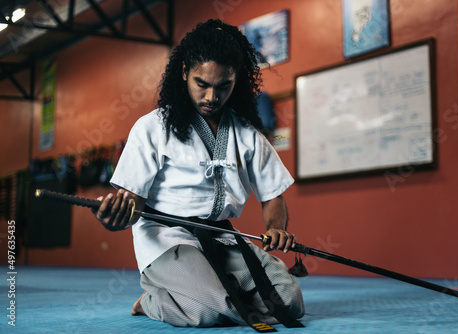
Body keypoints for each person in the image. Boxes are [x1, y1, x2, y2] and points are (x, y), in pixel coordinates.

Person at [92, 19, 305, 330]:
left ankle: (211, 292)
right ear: (184, 74)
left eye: (223, 86)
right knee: (208, 312)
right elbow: (132, 203)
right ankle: (151, 301)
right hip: (168, 240)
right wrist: (117, 217)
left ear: (237, 80)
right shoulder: (152, 128)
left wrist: (276, 228)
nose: (211, 97)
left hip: (223, 239)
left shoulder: (248, 135)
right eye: (201, 84)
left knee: (289, 302)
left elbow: (274, 196)